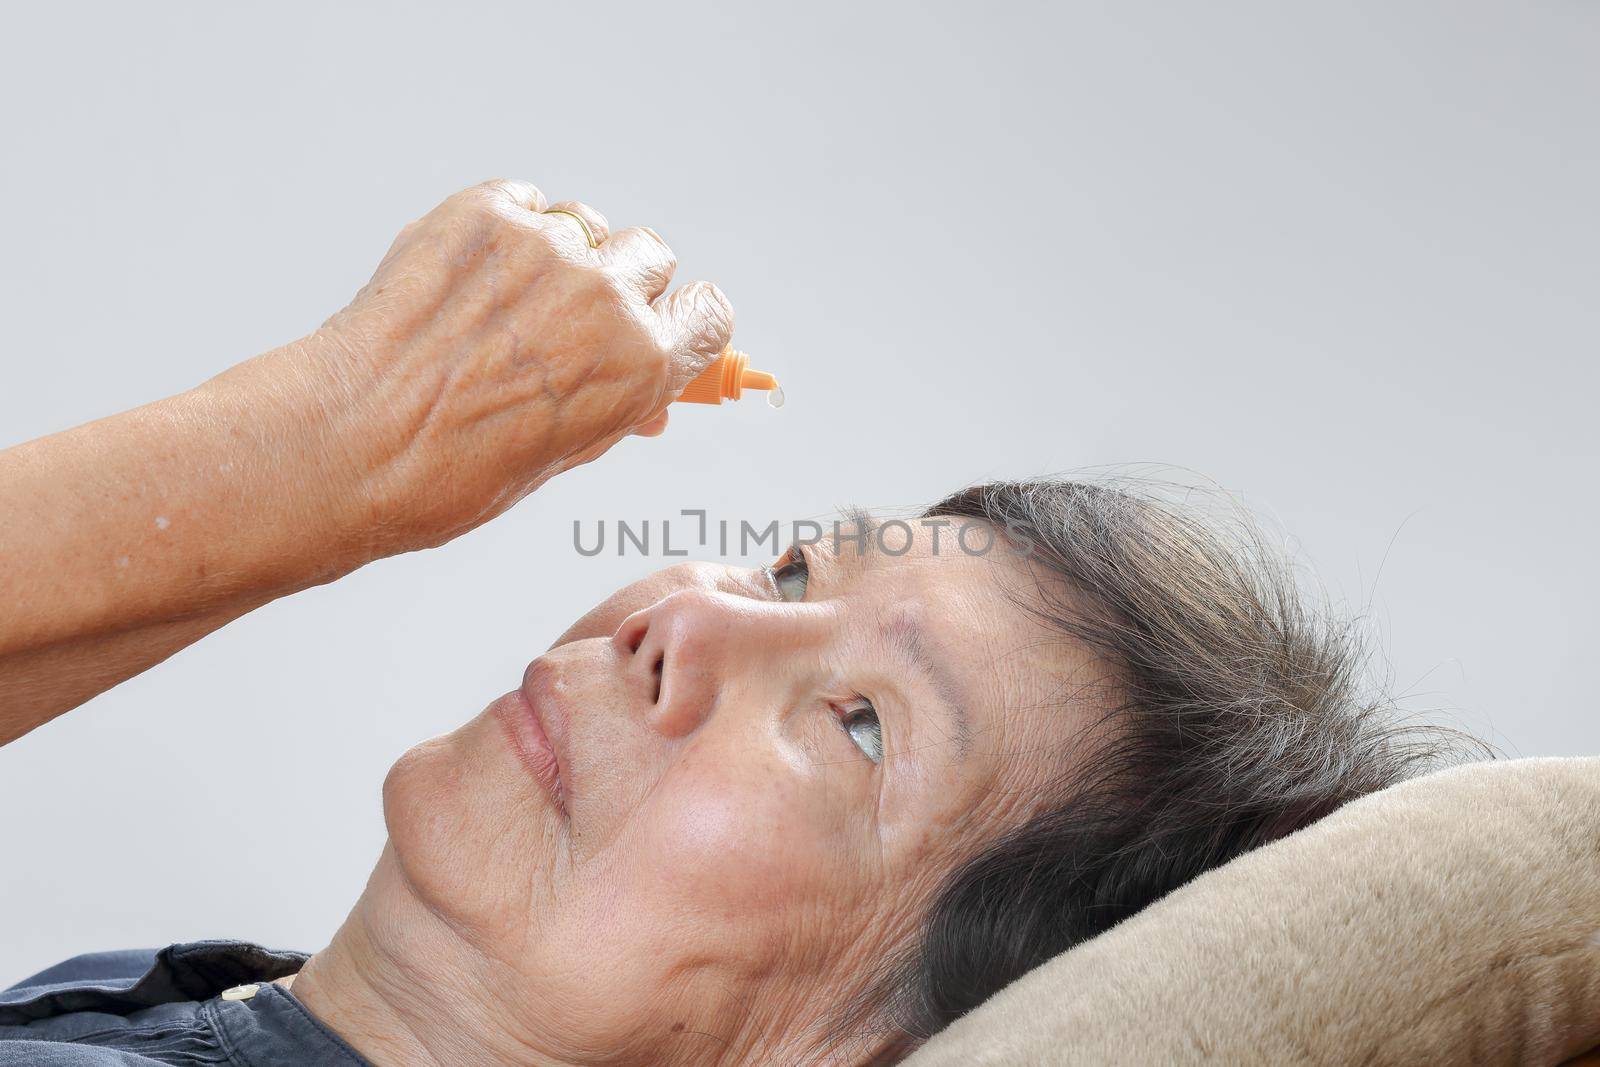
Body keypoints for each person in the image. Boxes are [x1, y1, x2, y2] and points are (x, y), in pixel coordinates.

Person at [0, 180, 1473, 1065]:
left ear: (880, 1041)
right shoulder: (194, 1004)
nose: (683, 619)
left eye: (858, 726)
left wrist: (338, 442)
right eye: (787, 577)